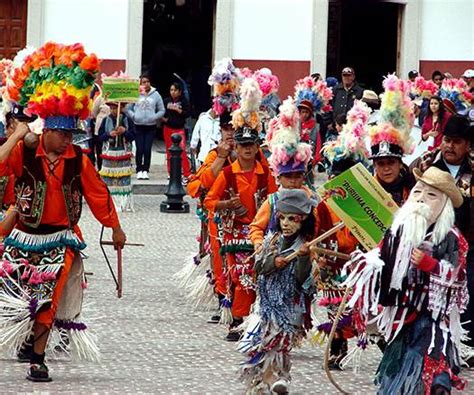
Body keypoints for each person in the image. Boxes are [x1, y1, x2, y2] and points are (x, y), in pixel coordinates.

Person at [0, 42, 127, 382]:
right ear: (49, 131)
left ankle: (38, 359)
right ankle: (29, 338)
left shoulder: (79, 161)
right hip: (22, 239)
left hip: (60, 241)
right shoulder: (25, 154)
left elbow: (100, 195)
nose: (69, 138)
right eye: (64, 133)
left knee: (48, 300)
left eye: (72, 132)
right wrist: (16, 137)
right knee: (21, 298)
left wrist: (114, 227)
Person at [345, 166, 468, 394]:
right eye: (418, 192)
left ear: (444, 205)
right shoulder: (397, 231)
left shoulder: (451, 238)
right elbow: (380, 256)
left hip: (432, 319)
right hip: (401, 316)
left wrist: (430, 264)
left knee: (426, 368)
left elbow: (458, 276)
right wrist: (365, 265)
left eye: (431, 195)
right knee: (397, 371)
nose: (421, 199)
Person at [204, 126, 277, 341]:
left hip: (261, 231)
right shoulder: (227, 173)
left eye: (251, 145)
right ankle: (238, 319)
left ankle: (258, 321)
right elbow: (209, 201)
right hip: (235, 233)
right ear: (236, 147)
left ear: (257, 147)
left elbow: (275, 201)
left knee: (260, 277)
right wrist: (227, 204)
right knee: (239, 276)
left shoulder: (266, 174)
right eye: (243, 145)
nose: (247, 149)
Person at [240, 189, 317, 394]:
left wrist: (302, 258)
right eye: (282, 218)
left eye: (292, 219)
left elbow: (304, 282)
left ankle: (277, 377)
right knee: (259, 346)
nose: (286, 223)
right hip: (265, 305)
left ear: (303, 221)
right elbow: (258, 266)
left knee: (277, 346)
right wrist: (273, 262)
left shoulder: (306, 247)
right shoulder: (271, 240)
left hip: (289, 308)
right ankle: (268, 380)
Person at [369, 75, 417, 206]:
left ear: (401, 163)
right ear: (374, 165)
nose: (386, 169)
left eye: (391, 162)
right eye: (381, 163)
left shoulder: (415, 191)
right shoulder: (365, 193)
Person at [126, 74, 165, 180]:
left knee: (147, 149)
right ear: (140, 83)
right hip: (138, 126)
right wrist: (134, 116)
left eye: (147, 81)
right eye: (144, 82)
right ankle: (139, 169)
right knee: (140, 148)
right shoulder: (136, 94)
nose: (146, 84)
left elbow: (162, 110)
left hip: (150, 126)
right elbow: (128, 108)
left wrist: (154, 117)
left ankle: (145, 170)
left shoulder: (156, 95)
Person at [99, 102, 135, 211]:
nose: (113, 110)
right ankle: (108, 202)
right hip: (109, 153)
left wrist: (124, 132)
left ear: (122, 108)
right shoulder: (106, 120)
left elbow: (133, 136)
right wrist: (108, 134)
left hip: (123, 152)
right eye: (112, 108)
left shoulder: (127, 120)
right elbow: (100, 137)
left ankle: (123, 202)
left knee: (122, 179)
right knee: (108, 179)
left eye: (116, 108)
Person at [163, 81, 191, 183]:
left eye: (175, 90)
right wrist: (163, 119)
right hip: (168, 128)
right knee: (169, 151)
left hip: (179, 129)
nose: (173, 92)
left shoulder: (184, 101)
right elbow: (160, 111)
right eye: (171, 90)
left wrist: (179, 111)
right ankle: (171, 173)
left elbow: (188, 114)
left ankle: (187, 174)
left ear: (179, 92)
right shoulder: (166, 101)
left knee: (182, 151)